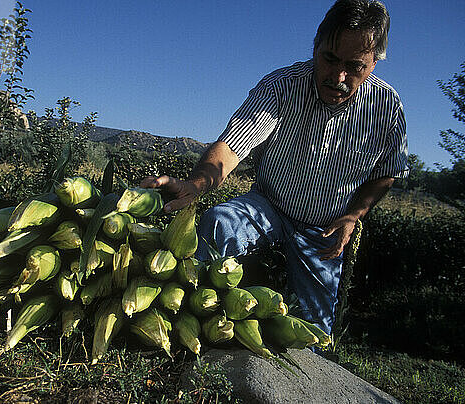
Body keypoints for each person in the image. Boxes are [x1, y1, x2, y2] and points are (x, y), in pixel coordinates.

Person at [141, 0, 409, 335]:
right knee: (220, 223)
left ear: (374, 63)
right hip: (269, 205)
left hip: (323, 228)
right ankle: (188, 321)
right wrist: (196, 185)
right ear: (316, 46)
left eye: (354, 67)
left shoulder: (387, 107)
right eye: (329, 59)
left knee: (313, 334)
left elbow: (387, 172)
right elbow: (231, 146)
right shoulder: (281, 86)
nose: (338, 76)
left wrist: (353, 215)